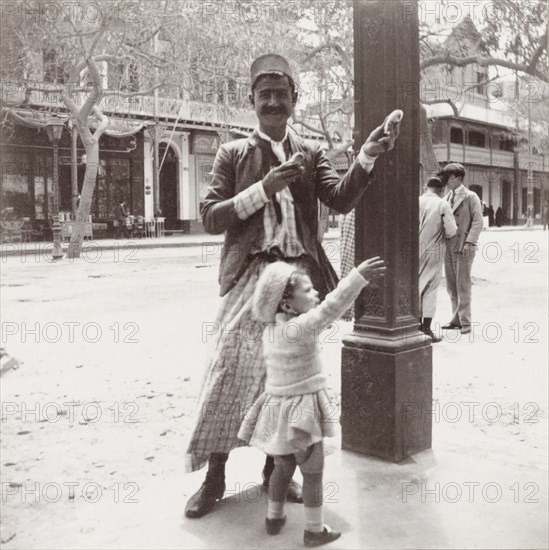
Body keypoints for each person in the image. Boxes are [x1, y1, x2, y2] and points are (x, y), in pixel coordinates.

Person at [184, 53, 402, 519]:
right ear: (252, 101)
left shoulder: (310, 153)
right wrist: (262, 188)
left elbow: (339, 200)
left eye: (281, 95)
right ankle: (215, 476)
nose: (273, 103)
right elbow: (209, 217)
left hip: (299, 281)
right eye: (265, 96)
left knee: (288, 379)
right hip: (251, 280)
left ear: (294, 100)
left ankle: (273, 471)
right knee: (229, 374)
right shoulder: (234, 154)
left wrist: (368, 154)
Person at [238, 256, 386, 546]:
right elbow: (332, 307)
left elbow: (319, 313)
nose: (316, 293)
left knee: (281, 468)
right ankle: (314, 530)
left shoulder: (272, 331)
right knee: (313, 471)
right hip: (301, 414)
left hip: (277, 412)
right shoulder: (300, 329)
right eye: (307, 291)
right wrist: (358, 276)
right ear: (286, 305)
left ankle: (274, 516)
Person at [438, 163, 483, 335]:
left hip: (464, 246)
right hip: (448, 245)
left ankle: (465, 321)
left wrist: (470, 242)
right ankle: (455, 319)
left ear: (458, 178)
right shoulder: (446, 198)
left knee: (462, 284)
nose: (447, 180)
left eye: (450, 177)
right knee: (451, 285)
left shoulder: (471, 197)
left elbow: (478, 222)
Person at [419, 177, 457, 342]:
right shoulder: (442, 204)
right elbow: (451, 230)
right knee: (430, 289)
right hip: (434, 251)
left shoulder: (416, 201)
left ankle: (412, 326)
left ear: (425, 187)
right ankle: (426, 328)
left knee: (414, 286)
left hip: (411, 250)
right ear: (441, 190)